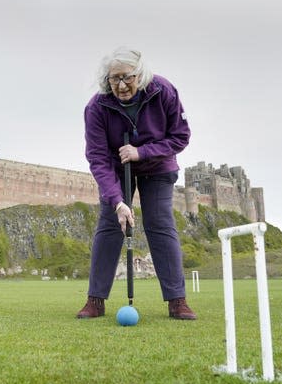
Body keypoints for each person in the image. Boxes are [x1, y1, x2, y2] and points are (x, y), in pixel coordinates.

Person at [77, 48, 197, 320]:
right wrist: (118, 201)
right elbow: (97, 157)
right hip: (116, 168)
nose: (120, 85)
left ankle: (177, 301)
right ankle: (95, 300)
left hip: (158, 165)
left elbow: (180, 136)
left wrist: (142, 152)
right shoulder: (96, 107)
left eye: (127, 77)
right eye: (113, 79)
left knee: (160, 224)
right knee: (109, 225)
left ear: (140, 75)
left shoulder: (163, 91)